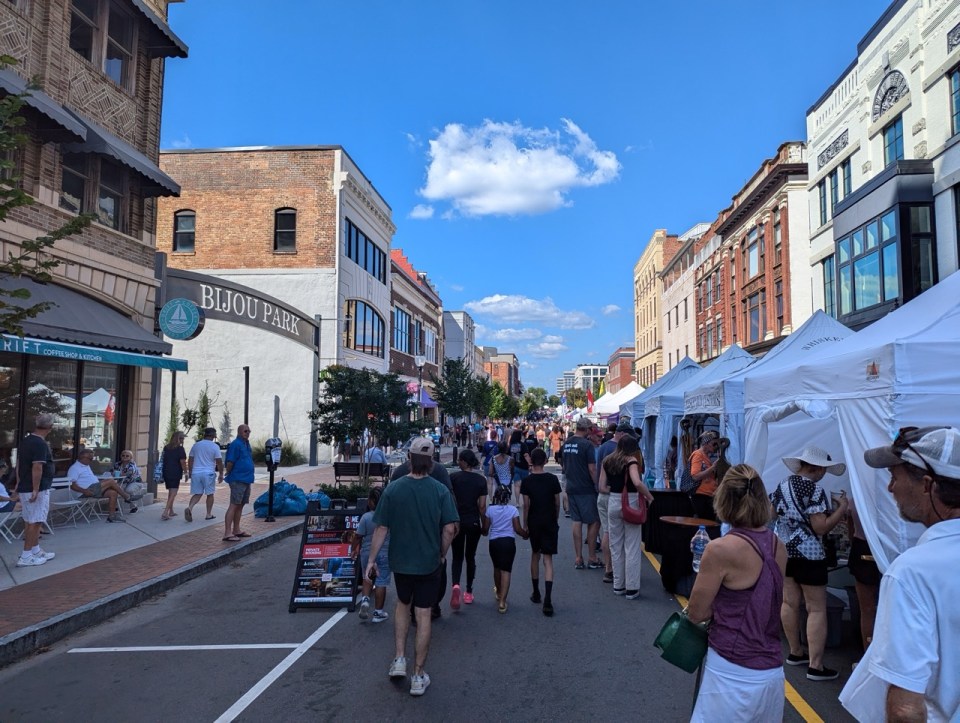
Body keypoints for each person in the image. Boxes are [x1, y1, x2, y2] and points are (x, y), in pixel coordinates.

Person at [840, 426, 960, 722]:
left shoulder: (913, 571)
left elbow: (906, 708)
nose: (890, 488)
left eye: (895, 476)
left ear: (928, 485)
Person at [688, 464, 787, 723]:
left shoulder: (719, 550)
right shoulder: (779, 547)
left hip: (731, 670)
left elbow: (697, 613)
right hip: (772, 671)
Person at [366, 436, 459, 697]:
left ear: (409, 459)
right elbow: (450, 528)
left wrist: (371, 561)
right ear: (431, 462)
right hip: (429, 562)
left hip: (401, 561)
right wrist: (441, 553)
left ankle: (399, 658)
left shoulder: (394, 490)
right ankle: (418, 675)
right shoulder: (440, 491)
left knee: (402, 606)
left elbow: (381, 527)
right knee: (424, 614)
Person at [770, 445, 848, 681]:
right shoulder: (815, 490)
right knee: (815, 608)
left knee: (789, 602)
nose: (824, 474)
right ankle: (816, 666)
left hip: (783, 550)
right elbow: (820, 527)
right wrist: (842, 508)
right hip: (810, 553)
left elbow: (771, 515)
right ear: (815, 468)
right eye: (823, 470)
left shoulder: (782, 485)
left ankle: (795, 652)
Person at [599, 434, 653, 598]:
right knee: (632, 545)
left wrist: (615, 493)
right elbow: (637, 482)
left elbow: (601, 486)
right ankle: (632, 587)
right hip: (630, 502)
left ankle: (618, 585)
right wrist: (650, 497)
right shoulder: (631, 461)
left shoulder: (607, 460)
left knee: (616, 545)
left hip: (613, 502)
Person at [521, 448, 562, 616]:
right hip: (549, 521)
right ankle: (548, 599)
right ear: (545, 461)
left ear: (531, 461)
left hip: (534, 521)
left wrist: (525, 525)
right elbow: (557, 502)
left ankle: (536, 592)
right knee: (548, 559)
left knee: (535, 554)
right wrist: (556, 518)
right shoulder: (552, 479)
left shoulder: (527, 481)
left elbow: (526, 505)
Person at [15, 414, 57, 567]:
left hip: (27, 487)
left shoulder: (26, 441)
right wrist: (35, 488)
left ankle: (35, 550)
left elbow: (19, 464)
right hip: (36, 488)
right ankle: (26, 556)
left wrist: (19, 483)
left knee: (30, 519)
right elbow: (37, 466)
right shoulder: (39, 444)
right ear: (50, 428)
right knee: (35, 520)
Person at [448, 449, 487, 608]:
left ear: (464, 461)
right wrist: (484, 524)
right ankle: (469, 591)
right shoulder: (480, 480)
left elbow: (449, 500)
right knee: (470, 556)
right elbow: (482, 506)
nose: (458, 462)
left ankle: (456, 585)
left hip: (457, 521)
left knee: (457, 557)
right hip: (473, 522)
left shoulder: (453, 478)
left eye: (459, 460)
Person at [562, 417, 601, 569]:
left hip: (572, 486)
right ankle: (592, 556)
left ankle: (578, 557)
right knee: (593, 521)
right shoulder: (587, 445)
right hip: (586, 487)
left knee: (576, 521)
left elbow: (564, 464)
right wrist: (597, 485)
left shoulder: (567, 443)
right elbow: (592, 468)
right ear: (587, 429)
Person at [482, 484, 527, 614]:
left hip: (494, 542)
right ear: (508, 497)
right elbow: (517, 529)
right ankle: (502, 601)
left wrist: (482, 531)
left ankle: (499, 591)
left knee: (496, 568)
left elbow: (485, 529)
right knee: (506, 571)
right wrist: (526, 535)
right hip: (508, 542)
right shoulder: (513, 510)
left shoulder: (490, 510)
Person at [845, 494, 880, 658]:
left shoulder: (858, 496)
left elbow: (850, 530)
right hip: (888, 548)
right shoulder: (893, 498)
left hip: (862, 548)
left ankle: (868, 656)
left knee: (867, 609)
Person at [354, 487, 391, 623]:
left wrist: (354, 549)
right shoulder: (389, 516)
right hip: (385, 552)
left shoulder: (366, 517)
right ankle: (378, 613)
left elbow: (358, 536)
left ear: (369, 502)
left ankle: (365, 600)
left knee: (367, 578)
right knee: (381, 582)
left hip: (366, 553)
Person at [69, 449, 135, 522]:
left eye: (92, 458)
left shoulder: (86, 465)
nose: (91, 460)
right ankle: (126, 497)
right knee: (111, 481)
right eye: (90, 459)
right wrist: (84, 491)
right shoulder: (74, 468)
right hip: (86, 491)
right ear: (83, 457)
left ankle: (111, 516)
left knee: (113, 493)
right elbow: (72, 485)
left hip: (95, 489)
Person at [222, 424, 254, 542]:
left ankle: (236, 529)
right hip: (238, 479)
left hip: (247, 479)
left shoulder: (246, 444)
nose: (248, 433)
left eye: (249, 431)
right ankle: (227, 532)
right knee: (234, 504)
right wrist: (228, 472)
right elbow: (230, 461)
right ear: (240, 432)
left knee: (240, 505)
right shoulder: (236, 444)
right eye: (246, 431)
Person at [186, 427, 223, 523]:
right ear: (213, 436)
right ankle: (208, 514)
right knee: (210, 494)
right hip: (208, 473)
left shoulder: (196, 445)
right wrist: (221, 474)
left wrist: (190, 471)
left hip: (196, 472)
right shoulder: (215, 446)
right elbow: (219, 462)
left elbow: (190, 459)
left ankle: (190, 508)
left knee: (197, 493)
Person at [689, 431, 720, 520]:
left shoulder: (705, 456)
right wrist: (713, 467)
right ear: (706, 443)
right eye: (714, 444)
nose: (715, 447)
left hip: (707, 495)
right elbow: (695, 476)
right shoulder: (698, 455)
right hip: (701, 495)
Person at [160, 432, 188, 520]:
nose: (183, 440)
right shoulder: (180, 449)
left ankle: (171, 511)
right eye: (182, 438)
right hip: (175, 472)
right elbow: (182, 462)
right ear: (178, 439)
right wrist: (186, 472)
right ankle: (165, 512)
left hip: (166, 471)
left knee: (171, 491)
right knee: (174, 492)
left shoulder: (166, 447)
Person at [112, 450, 143, 514]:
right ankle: (115, 507)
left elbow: (128, 475)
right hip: (122, 482)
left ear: (131, 457)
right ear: (121, 456)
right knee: (114, 490)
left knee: (129, 490)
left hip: (134, 482)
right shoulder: (117, 464)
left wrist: (119, 475)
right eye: (123, 455)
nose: (125, 457)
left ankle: (134, 507)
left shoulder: (132, 465)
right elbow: (112, 472)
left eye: (127, 456)